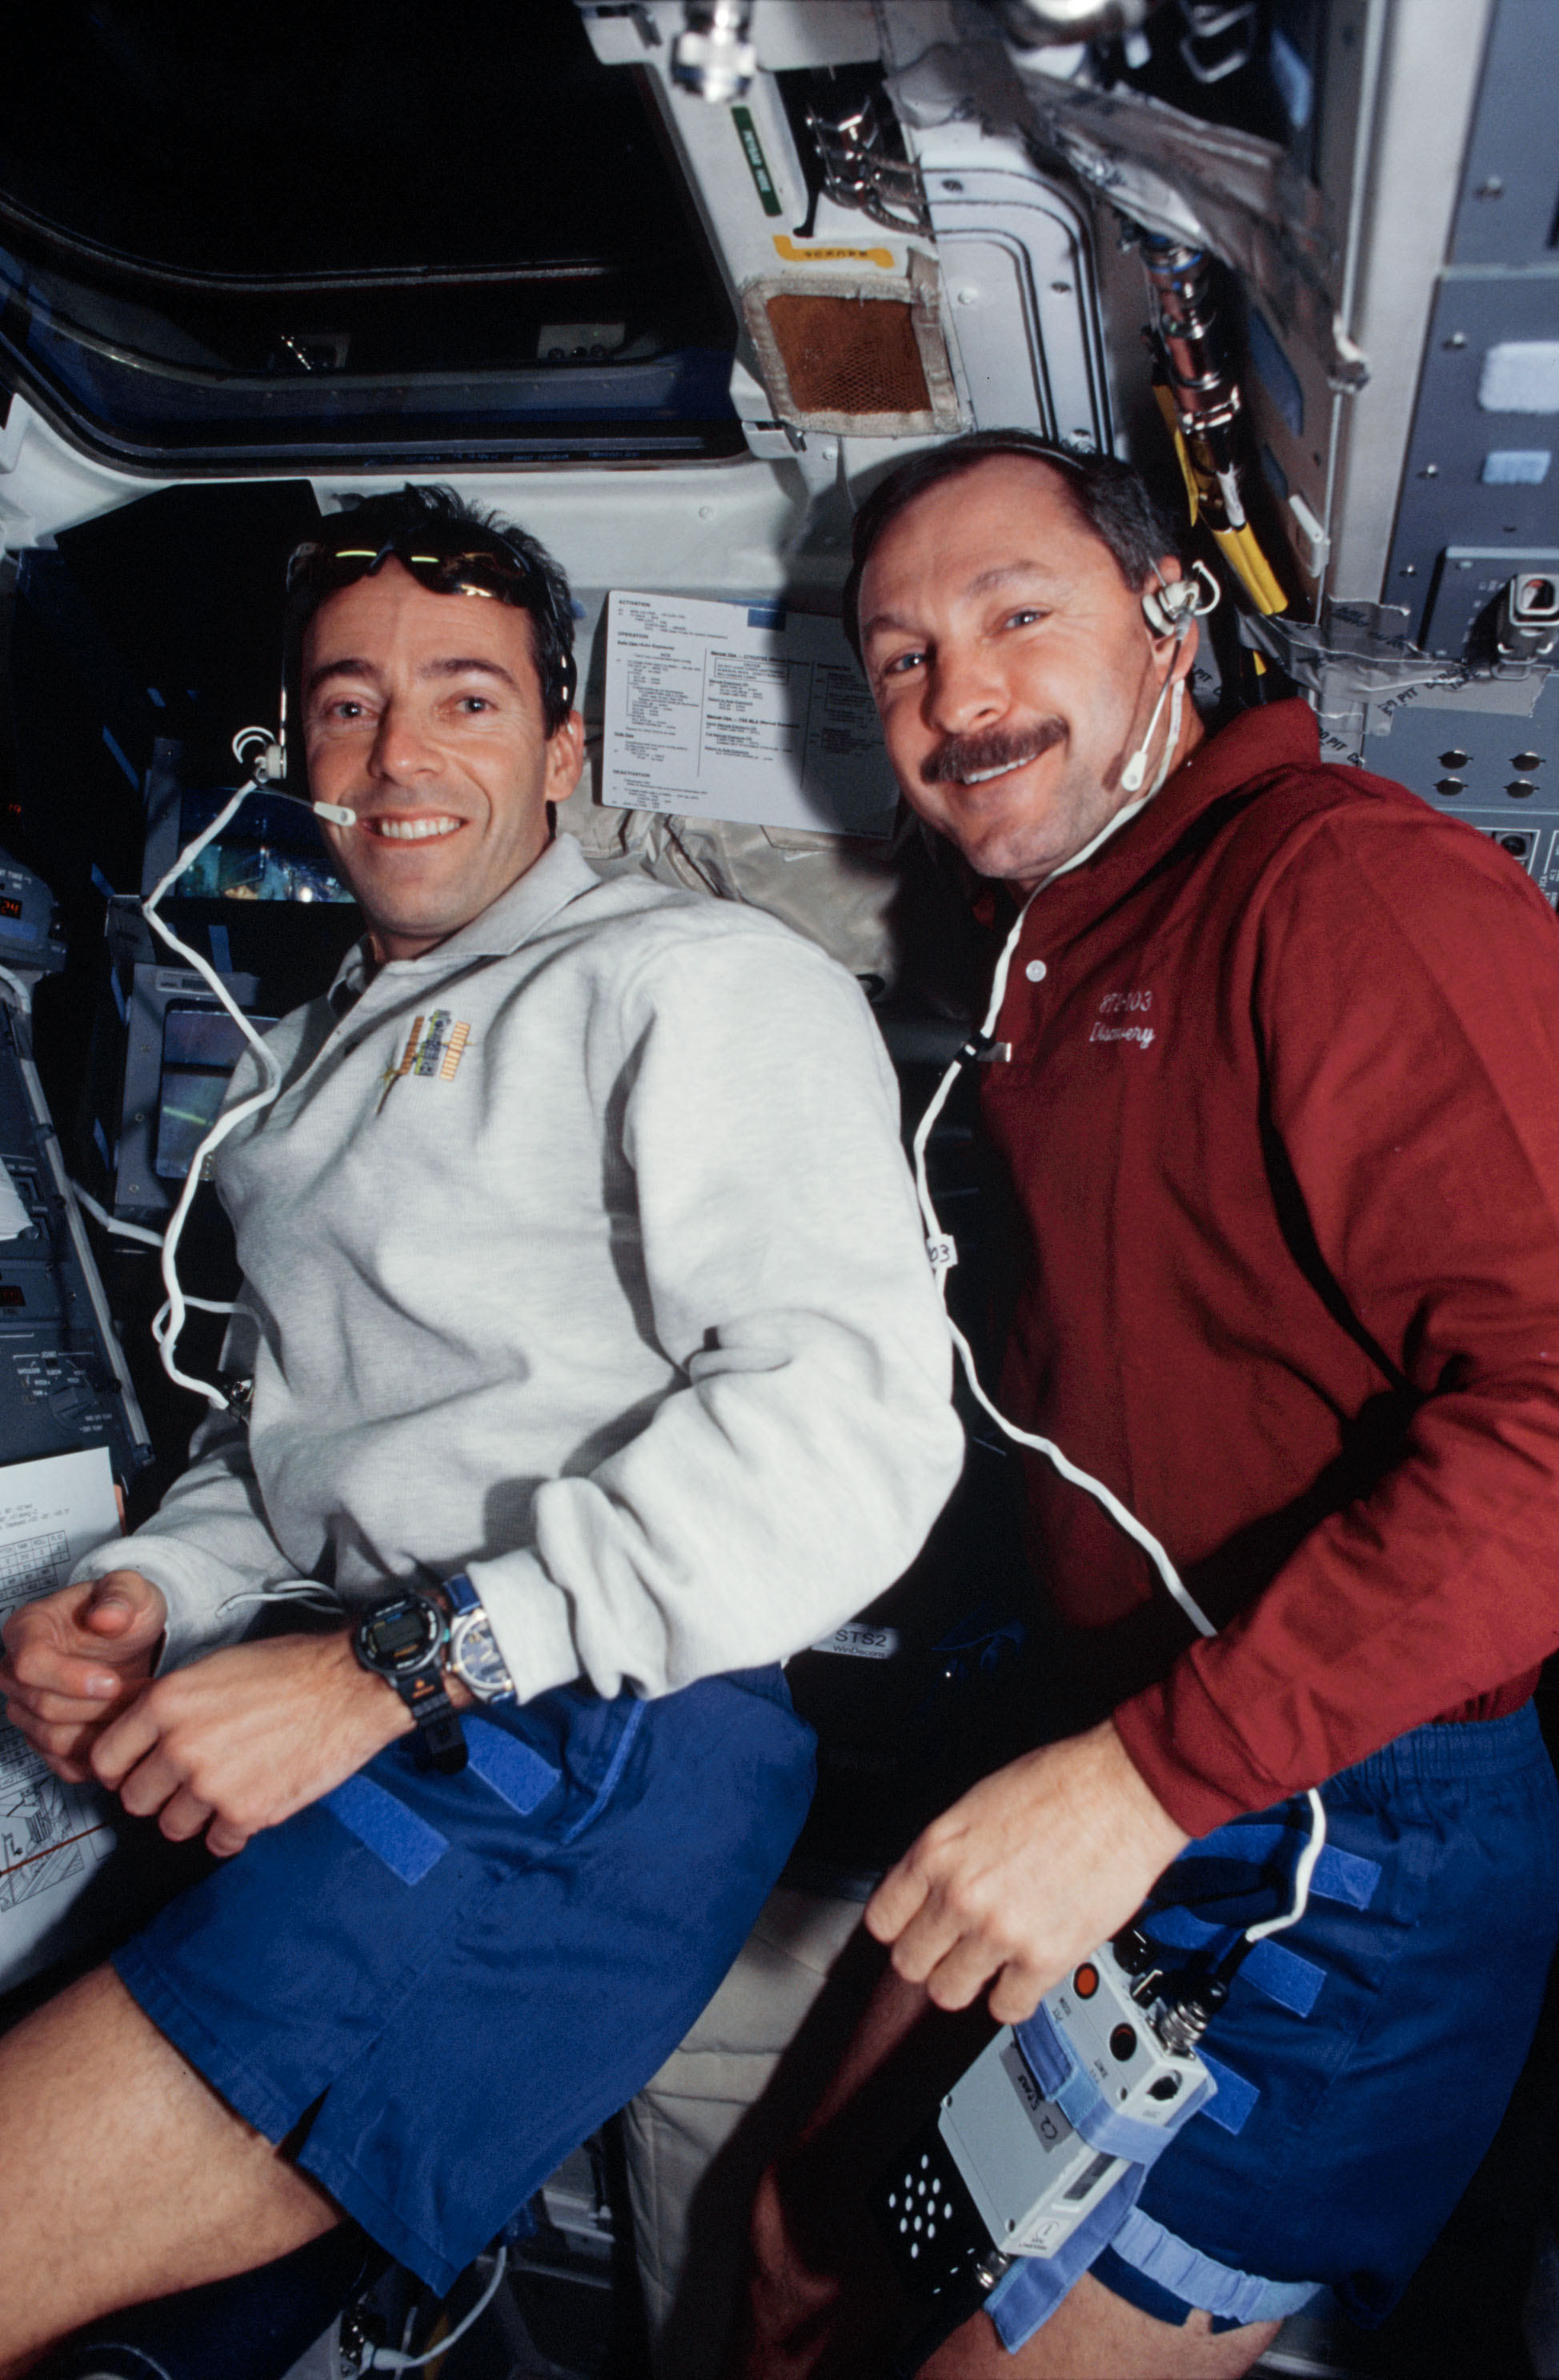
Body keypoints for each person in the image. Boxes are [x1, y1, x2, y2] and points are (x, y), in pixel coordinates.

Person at [0, 482, 964, 2373]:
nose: (400, 748)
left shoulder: (689, 982)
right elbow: (280, 1449)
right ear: (299, 751)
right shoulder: (302, 1085)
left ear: (563, 744)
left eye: (465, 694)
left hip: (584, 1740)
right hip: (388, 1699)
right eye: (349, 701)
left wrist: (386, 1669)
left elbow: (847, 1425)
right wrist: (144, 1589)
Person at [716, 431, 1559, 2379]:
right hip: (1125, 1729)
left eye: (1018, 614)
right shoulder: (1059, 956)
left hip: (1349, 1825)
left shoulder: (1336, 886)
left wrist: (1145, 1779)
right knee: (791, 2247)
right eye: (905, 655)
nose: (960, 694)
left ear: (1173, 619)